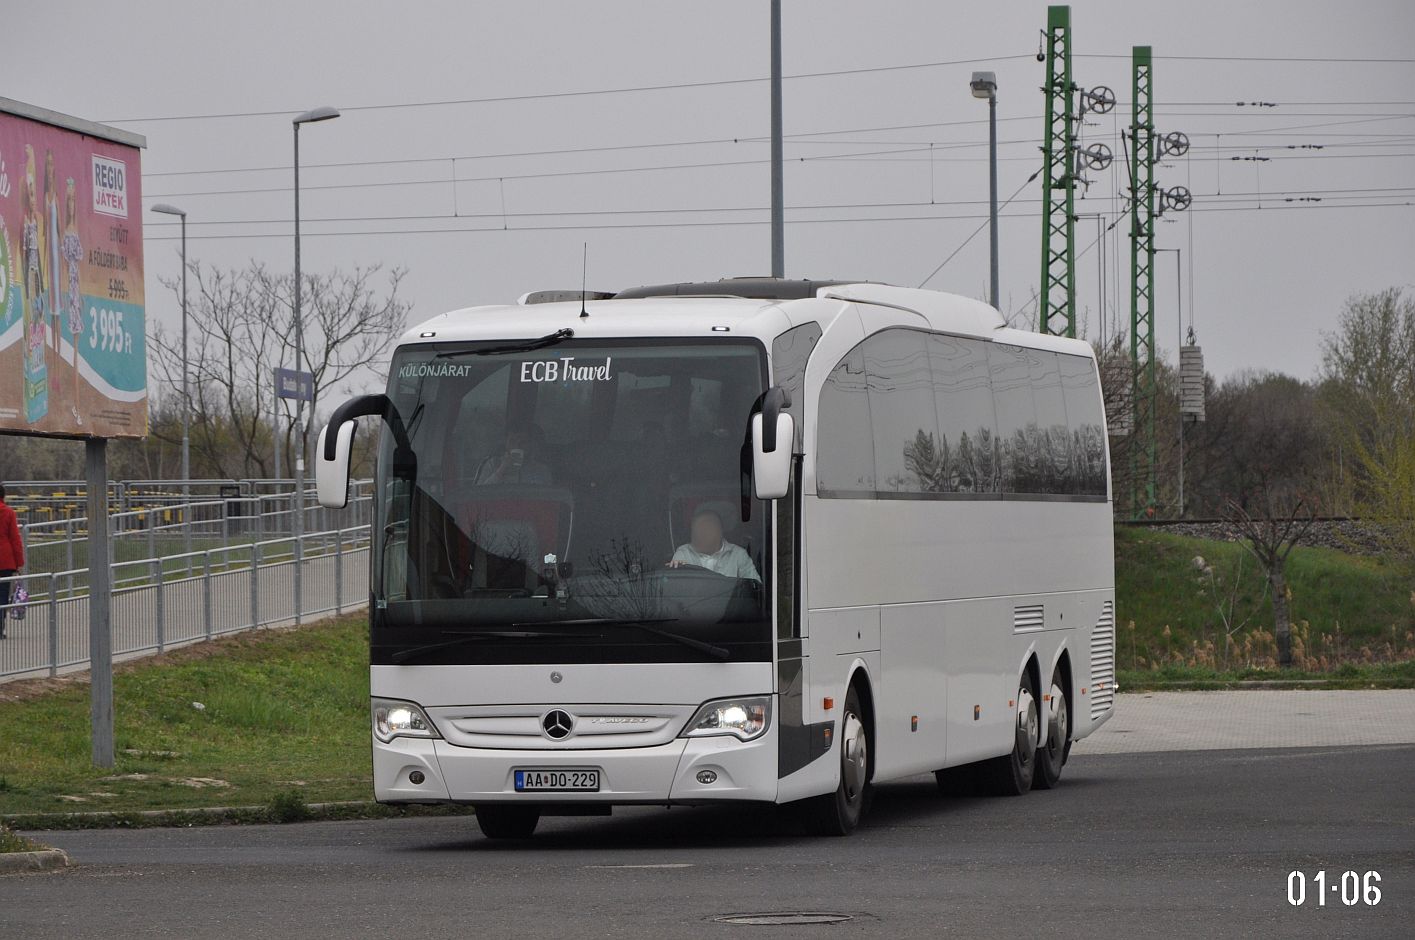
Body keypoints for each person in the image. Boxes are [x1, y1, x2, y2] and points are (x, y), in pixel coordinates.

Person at [668, 508, 759, 582]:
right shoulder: (684, 553)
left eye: (705, 529)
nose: (698, 534)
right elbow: (676, 589)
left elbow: (754, 588)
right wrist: (677, 573)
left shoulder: (738, 555)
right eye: (695, 530)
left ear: (719, 532)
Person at [472, 426, 552, 485]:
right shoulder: (492, 464)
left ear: (529, 445)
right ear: (506, 443)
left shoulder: (542, 470)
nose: (517, 446)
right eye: (512, 441)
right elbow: (479, 495)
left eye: (522, 442)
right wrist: (501, 470)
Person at [0, 484, 25, 639]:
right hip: (5, 559)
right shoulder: (8, 512)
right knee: (2, 594)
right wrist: (19, 563)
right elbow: (15, 539)